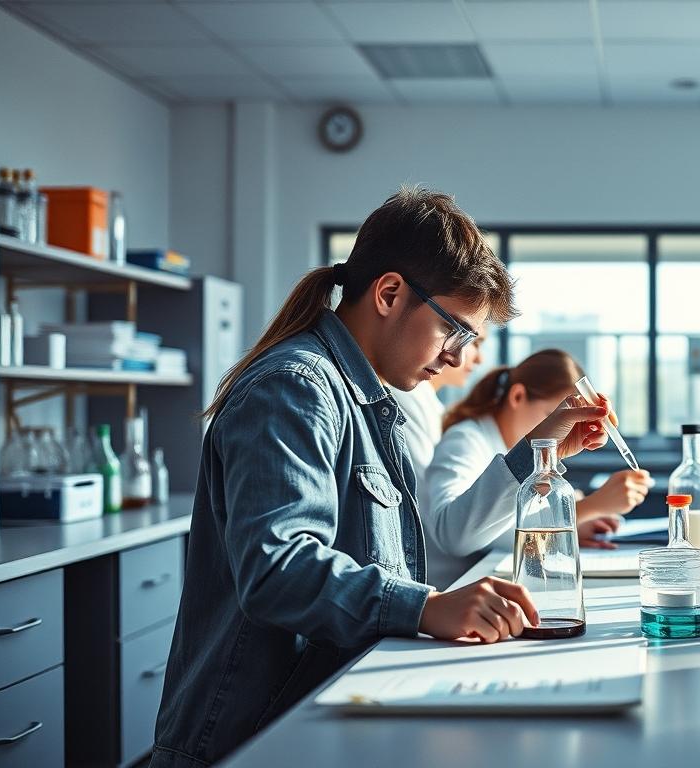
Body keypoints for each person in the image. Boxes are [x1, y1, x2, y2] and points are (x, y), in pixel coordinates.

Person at [150, 188, 616, 768]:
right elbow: (277, 569)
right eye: (455, 330)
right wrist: (426, 607)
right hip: (254, 737)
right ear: (390, 293)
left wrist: (542, 449)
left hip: (328, 714)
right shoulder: (294, 388)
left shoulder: (370, 400)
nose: (457, 357)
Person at [422, 349, 654, 587]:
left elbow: (507, 520)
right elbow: (456, 536)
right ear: (517, 396)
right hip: (452, 591)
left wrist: (575, 518)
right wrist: (587, 508)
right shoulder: (465, 439)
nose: (558, 427)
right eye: (550, 416)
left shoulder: (507, 441)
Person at [394, 323, 487, 484]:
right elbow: (424, 490)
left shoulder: (431, 405)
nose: (480, 359)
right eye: (474, 342)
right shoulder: (407, 397)